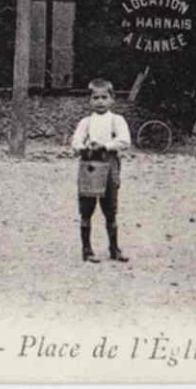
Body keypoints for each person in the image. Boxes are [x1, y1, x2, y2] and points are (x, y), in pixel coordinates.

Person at [70, 78, 131, 264]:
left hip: (109, 164)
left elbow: (125, 141)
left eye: (104, 97)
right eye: (95, 98)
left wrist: (105, 145)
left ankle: (114, 248)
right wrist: (84, 146)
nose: (100, 101)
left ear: (112, 99)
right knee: (86, 208)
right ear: (89, 101)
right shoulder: (86, 122)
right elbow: (75, 141)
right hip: (89, 165)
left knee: (110, 208)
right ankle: (86, 249)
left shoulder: (117, 120)